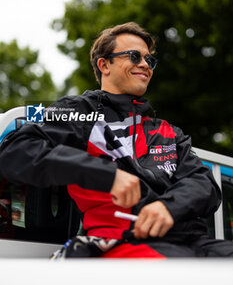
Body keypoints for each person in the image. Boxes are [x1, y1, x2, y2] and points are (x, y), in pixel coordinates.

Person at [0, 22, 233, 258]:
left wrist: (169, 206)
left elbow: (205, 185)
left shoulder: (169, 131)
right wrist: (106, 174)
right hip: (123, 242)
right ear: (104, 64)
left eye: (149, 60)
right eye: (134, 56)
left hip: (195, 242)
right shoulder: (78, 112)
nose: (145, 65)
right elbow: (15, 150)